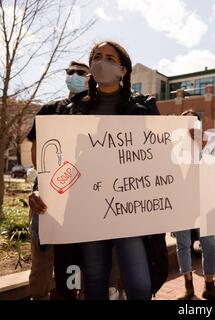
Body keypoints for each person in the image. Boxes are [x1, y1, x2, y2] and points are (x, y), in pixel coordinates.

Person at [28, 41, 160, 300]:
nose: (102, 61)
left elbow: (163, 154)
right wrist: (40, 189)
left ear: (123, 69)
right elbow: (56, 162)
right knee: (95, 281)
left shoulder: (144, 107)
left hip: (129, 209)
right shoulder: (72, 110)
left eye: (110, 57)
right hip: (88, 209)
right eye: (97, 56)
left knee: (139, 283)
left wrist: (187, 140)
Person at [27, 61, 89, 300]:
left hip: (82, 205)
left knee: (78, 266)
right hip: (45, 200)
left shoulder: (97, 111)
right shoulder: (48, 109)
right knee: (42, 262)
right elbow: (36, 154)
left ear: (89, 77)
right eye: (69, 72)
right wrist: (45, 184)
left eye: (80, 72)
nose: (73, 75)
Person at [173, 109, 215, 301]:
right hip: (180, 204)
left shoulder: (208, 146)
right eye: (186, 121)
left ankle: (209, 286)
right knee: (183, 245)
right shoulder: (174, 147)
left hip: (204, 202)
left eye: (194, 121)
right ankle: (188, 287)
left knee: (209, 245)